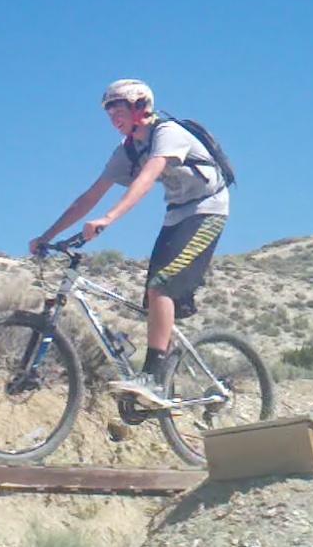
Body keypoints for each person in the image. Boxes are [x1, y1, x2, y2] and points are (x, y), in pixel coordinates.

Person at [28, 79, 229, 408]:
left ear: (139, 107)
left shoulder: (168, 133)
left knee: (161, 287)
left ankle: (153, 379)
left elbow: (147, 178)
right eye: (108, 113)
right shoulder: (127, 150)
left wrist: (109, 218)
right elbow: (89, 196)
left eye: (118, 110)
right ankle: (162, 371)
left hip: (208, 209)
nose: (113, 119)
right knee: (154, 298)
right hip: (177, 215)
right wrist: (46, 237)